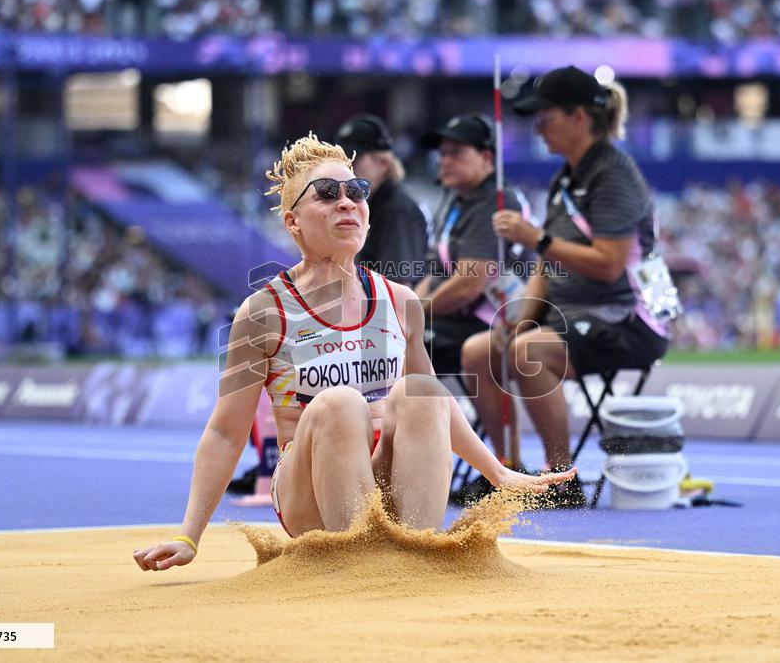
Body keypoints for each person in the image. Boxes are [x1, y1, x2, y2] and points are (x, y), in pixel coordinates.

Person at [133, 134, 575, 571]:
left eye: (356, 191)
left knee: (420, 390)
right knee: (340, 403)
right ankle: (355, 564)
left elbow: (433, 404)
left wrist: (497, 472)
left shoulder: (400, 300)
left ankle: (416, 557)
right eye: (327, 194)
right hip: (308, 492)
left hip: (387, 479)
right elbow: (225, 433)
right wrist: (188, 535)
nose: (346, 202)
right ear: (293, 222)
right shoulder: (262, 312)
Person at [460, 66, 671, 508]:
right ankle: (508, 470)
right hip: (572, 317)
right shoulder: (566, 179)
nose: (537, 129)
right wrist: (521, 319)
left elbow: (609, 266)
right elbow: (547, 263)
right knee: (479, 350)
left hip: (627, 318)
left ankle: (561, 478)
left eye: (545, 118)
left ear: (579, 118)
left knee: (528, 352)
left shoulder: (613, 176)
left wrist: (535, 237)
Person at [415, 112, 529, 382]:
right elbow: (435, 275)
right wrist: (409, 310)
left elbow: (468, 285)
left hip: (491, 320)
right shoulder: (459, 202)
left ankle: (420, 411)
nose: (444, 161)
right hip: (457, 318)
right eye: (442, 154)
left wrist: (414, 314)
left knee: (396, 348)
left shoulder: (496, 203)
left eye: (456, 153)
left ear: (486, 158)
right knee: (387, 338)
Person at [334, 114, 427, 287]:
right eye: (340, 159)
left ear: (383, 162)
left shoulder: (396, 210)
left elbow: (399, 286)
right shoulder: (367, 203)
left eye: (352, 159)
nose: (344, 166)